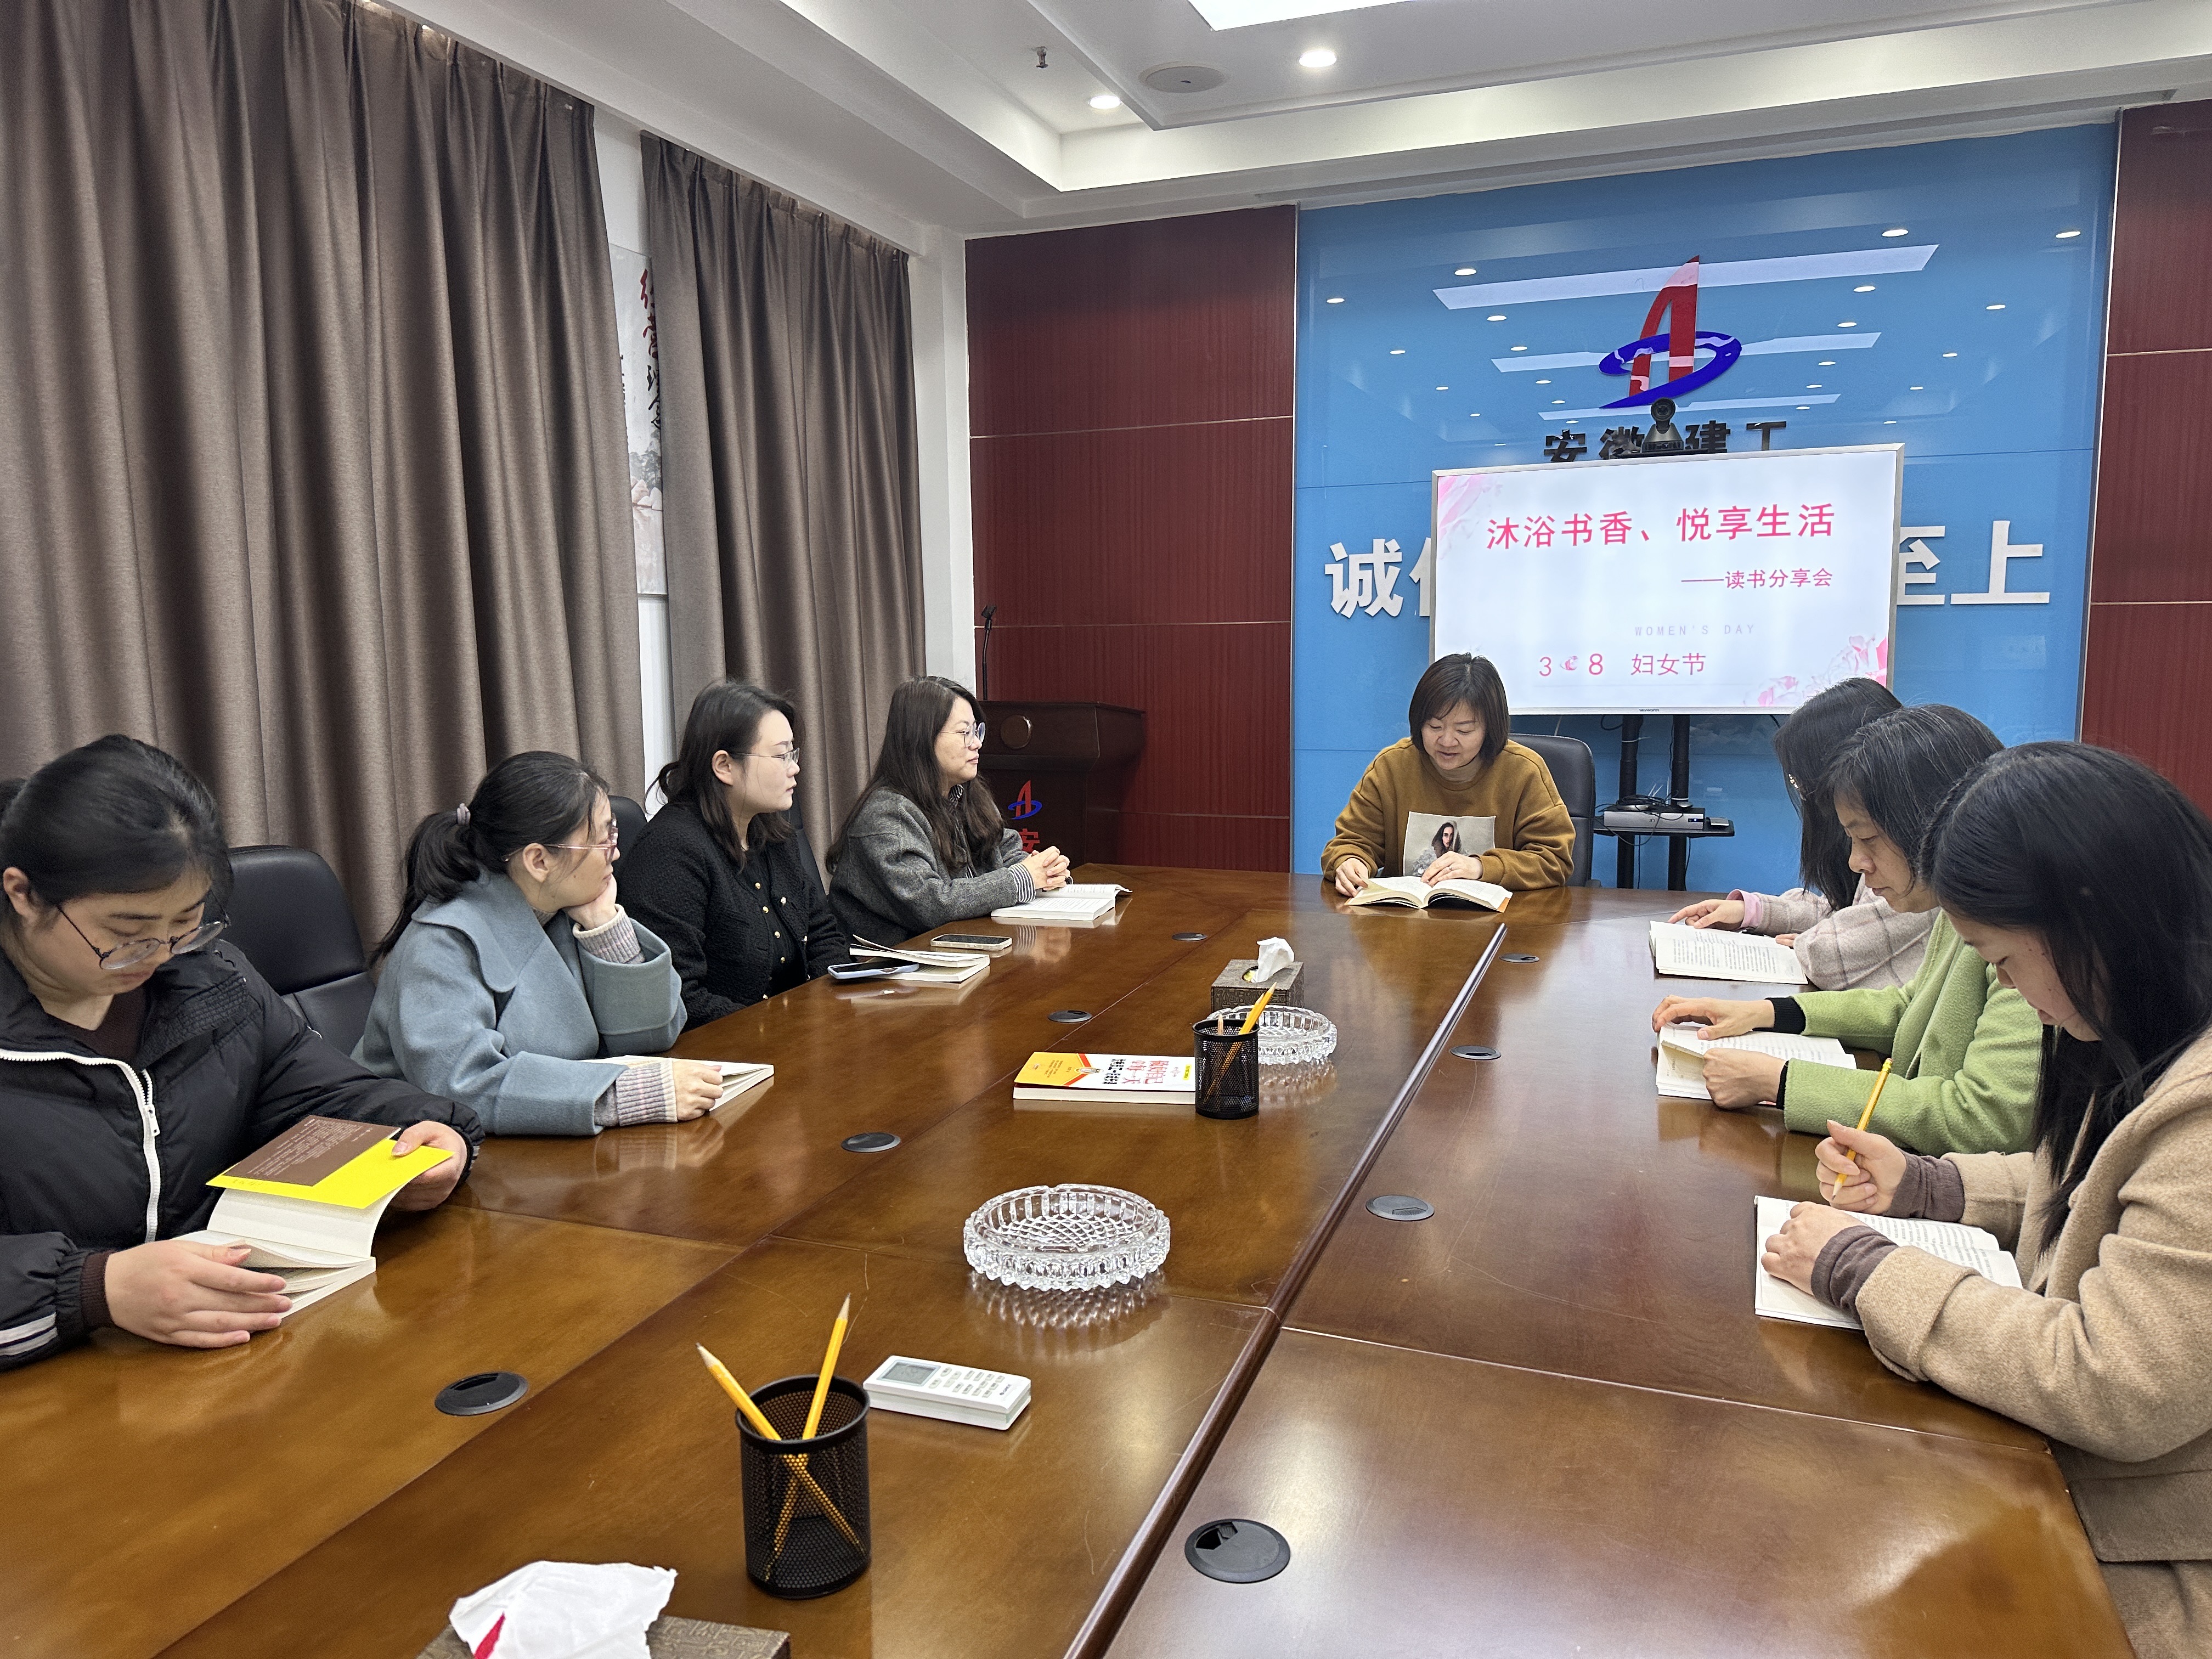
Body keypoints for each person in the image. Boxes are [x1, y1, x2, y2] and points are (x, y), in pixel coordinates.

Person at [1762, 743, 2212, 1659]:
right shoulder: (2137, 1019)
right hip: (2072, 1487)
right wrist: (1932, 1183)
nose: (2004, 986)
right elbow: (2091, 1186)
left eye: (2003, 959)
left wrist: (1865, 1267)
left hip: (2147, 1550)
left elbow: (2115, 1382)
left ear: (2093, 920)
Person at [0, 736, 477, 1370]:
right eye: (126, 933)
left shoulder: (210, 981)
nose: (158, 957)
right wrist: (95, 1289)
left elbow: (324, 1092)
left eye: (184, 925)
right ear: (24, 894)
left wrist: (425, 1135)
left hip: (226, 1358)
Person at [1651, 705, 2041, 1153]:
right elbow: (1907, 1007)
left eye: (1869, 838)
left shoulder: (2023, 933)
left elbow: (1985, 1117)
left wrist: (1781, 1081)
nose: (1856, 862)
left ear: (1934, 821)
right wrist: (1764, 1012)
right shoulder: (1959, 906)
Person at [357, 752, 717, 1137]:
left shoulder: (561, 905)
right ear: (539, 861)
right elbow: (463, 1084)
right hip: (433, 1152)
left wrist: (605, 928)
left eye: (611, 832)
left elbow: (654, 1035)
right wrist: (628, 1096)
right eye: (601, 840)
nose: (615, 851)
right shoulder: (440, 944)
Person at [1668, 676, 1933, 990]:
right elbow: (1839, 910)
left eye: (1804, 781)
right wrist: (1752, 912)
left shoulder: (1919, 866)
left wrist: (1810, 944)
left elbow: (1832, 955)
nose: (1805, 795)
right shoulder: (1888, 846)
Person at [622, 680, 847, 1028]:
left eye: (793, 754)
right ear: (724, 766)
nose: (794, 768)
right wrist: (782, 1030)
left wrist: (826, 1012)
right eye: (780, 756)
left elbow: (822, 935)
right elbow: (680, 997)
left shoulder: (772, 832)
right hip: (723, 1049)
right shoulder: (671, 850)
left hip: (794, 1035)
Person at [827, 677, 1069, 944]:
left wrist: (1043, 872)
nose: (977, 743)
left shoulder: (964, 792)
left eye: (977, 731)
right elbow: (931, 904)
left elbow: (1004, 848)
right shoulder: (887, 815)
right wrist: (1021, 879)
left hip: (962, 948)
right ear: (922, 739)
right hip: (900, 962)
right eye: (965, 733)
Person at [1322, 653, 1575, 895]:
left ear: (1490, 728)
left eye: (1464, 730)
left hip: (1501, 921)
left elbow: (1553, 859)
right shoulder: (1392, 767)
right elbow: (1351, 842)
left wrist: (1482, 867)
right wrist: (1350, 861)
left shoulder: (1523, 771)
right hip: (1405, 919)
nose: (1446, 741)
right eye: (1435, 726)